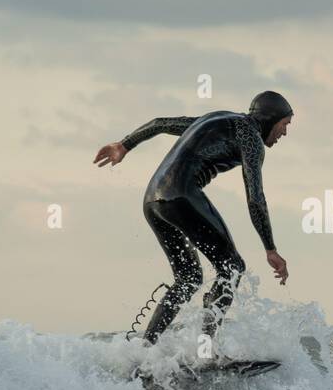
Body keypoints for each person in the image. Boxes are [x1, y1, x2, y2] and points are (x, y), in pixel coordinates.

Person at [94, 90, 292, 344]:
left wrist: (123, 145)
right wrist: (270, 249)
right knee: (232, 268)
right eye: (284, 125)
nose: (284, 133)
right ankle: (205, 352)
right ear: (271, 118)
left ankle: (145, 348)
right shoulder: (251, 138)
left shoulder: (215, 119)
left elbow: (160, 124)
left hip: (152, 200)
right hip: (180, 196)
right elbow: (255, 198)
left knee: (188, 278)